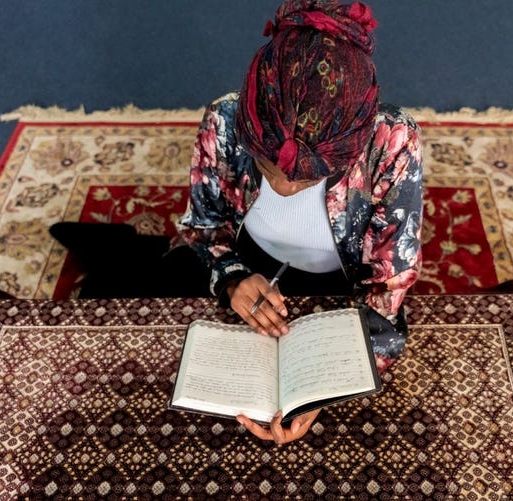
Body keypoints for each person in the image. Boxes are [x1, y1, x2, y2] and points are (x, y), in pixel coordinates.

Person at [174, 0, 424, 444]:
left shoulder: (392, 140)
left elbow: (388, 284)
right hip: (249, 262)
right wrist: (231, 278)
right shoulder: (224, 122)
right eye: (269, 170)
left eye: (309, 177)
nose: (286, 188)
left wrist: (321, 388)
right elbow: (205, 228)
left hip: (342, 283)